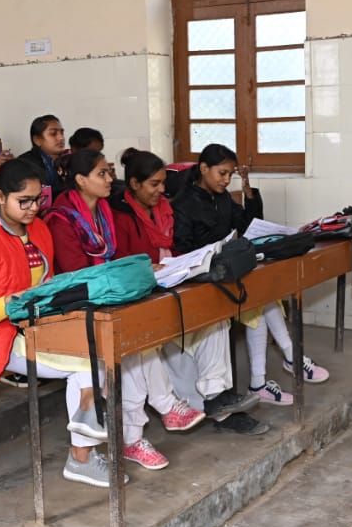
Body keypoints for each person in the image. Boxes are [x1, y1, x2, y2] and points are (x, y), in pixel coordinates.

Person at [0, 158, 129, 487]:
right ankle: (83, 447)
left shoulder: (39, 229)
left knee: (100, 345)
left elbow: (48, 283)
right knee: (88, 362)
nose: (32, 208)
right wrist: (19, 301)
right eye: (23, 201)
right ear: (0, 197)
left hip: (29, 326)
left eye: (38, 199)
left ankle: (87, 425)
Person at [47, 149, 233, 468]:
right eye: (102, 174)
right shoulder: (61, 218)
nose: (110, 179)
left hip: (109, 297)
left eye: (109, 172)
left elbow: (116, 258)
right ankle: (155, 415)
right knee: (132, 339)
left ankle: (138, 433)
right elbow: (76, 274)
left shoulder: (103, 209)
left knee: (136, 339)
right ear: (80, 180)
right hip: (77, 305)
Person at [109, 148, 259, 430]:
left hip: (173, 284)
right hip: (143, 295)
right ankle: (206, 404)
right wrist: (148, 269)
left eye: (164, 183)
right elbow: (119, 264)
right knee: (177, 339)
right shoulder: (122, 218)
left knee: (216, 322)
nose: (162, 190)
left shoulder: (164, 209)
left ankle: (216, 396)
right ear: (134, 185)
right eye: (155, 184)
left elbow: (177, 248)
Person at [173, 144, 331, 405]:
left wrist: (249, 194)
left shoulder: (221, 197)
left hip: (223, 270)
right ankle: (288, 358)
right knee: (260, 296)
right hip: (200, 279)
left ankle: (268, 375)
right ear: (203, 169)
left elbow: (247, 224)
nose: (226, 180)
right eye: (222, 173)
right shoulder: (183, 204)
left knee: (262, 294)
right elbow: (183, 249)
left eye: (230, 175)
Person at [20, 114, 66, 194]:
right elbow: (42, 193)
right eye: (53, 133)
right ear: (37, 140)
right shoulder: (26, 164)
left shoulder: (67, 159)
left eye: (62, 133)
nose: (61, 138)